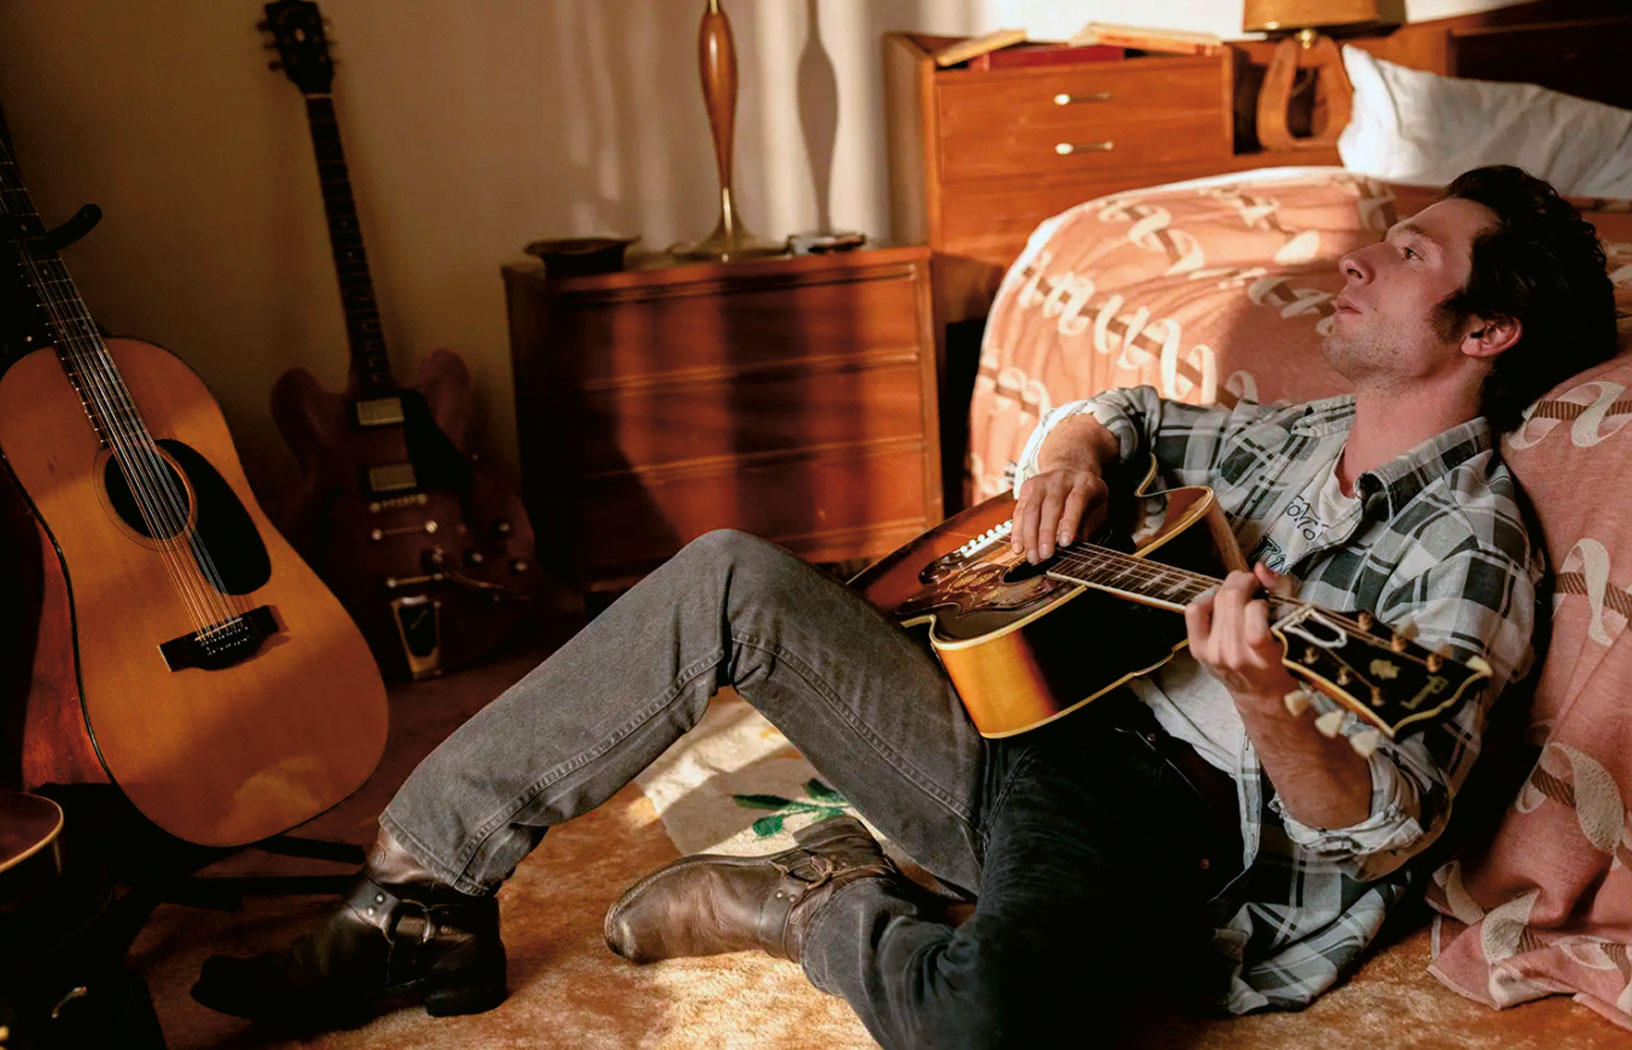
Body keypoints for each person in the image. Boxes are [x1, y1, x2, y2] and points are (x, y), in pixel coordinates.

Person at [191, 165, 1617, 1048]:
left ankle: (822, 902)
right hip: (1019, 717)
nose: (1358, 255)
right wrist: (1071, 454)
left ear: (1488, 331)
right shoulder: (1286, 434)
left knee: (998, 1020)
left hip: (1153, 825)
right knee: (731, 571)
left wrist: (1264, 696)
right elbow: (1124, 409)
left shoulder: (1472, 548)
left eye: (1411, 254)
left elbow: (1379, 827)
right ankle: (418, 893)